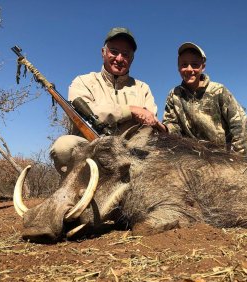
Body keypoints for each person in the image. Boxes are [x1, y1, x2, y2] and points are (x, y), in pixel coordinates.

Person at [51, 27, 163, 175]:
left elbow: (150, 120)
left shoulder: (143, 88)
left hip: (131, 150)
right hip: (91, 146)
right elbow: (87, 113)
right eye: (114, 52)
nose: (119, 58)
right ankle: (74, 191)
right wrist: (130, 111)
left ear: (132, 59)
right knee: (64, 146)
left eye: (125, 54)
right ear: (103, 52)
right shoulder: (83, 82)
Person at [161, 42, 247, 154]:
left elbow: (244, 127)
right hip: (192, 160)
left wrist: (235, 159)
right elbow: (173, 129)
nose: (189, 69)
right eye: (184, 64)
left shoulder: (218, 90)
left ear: (203, 67)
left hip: (225, 158)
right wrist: (162, 127)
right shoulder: (174, 95)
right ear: (178, 67)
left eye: (195, 64)